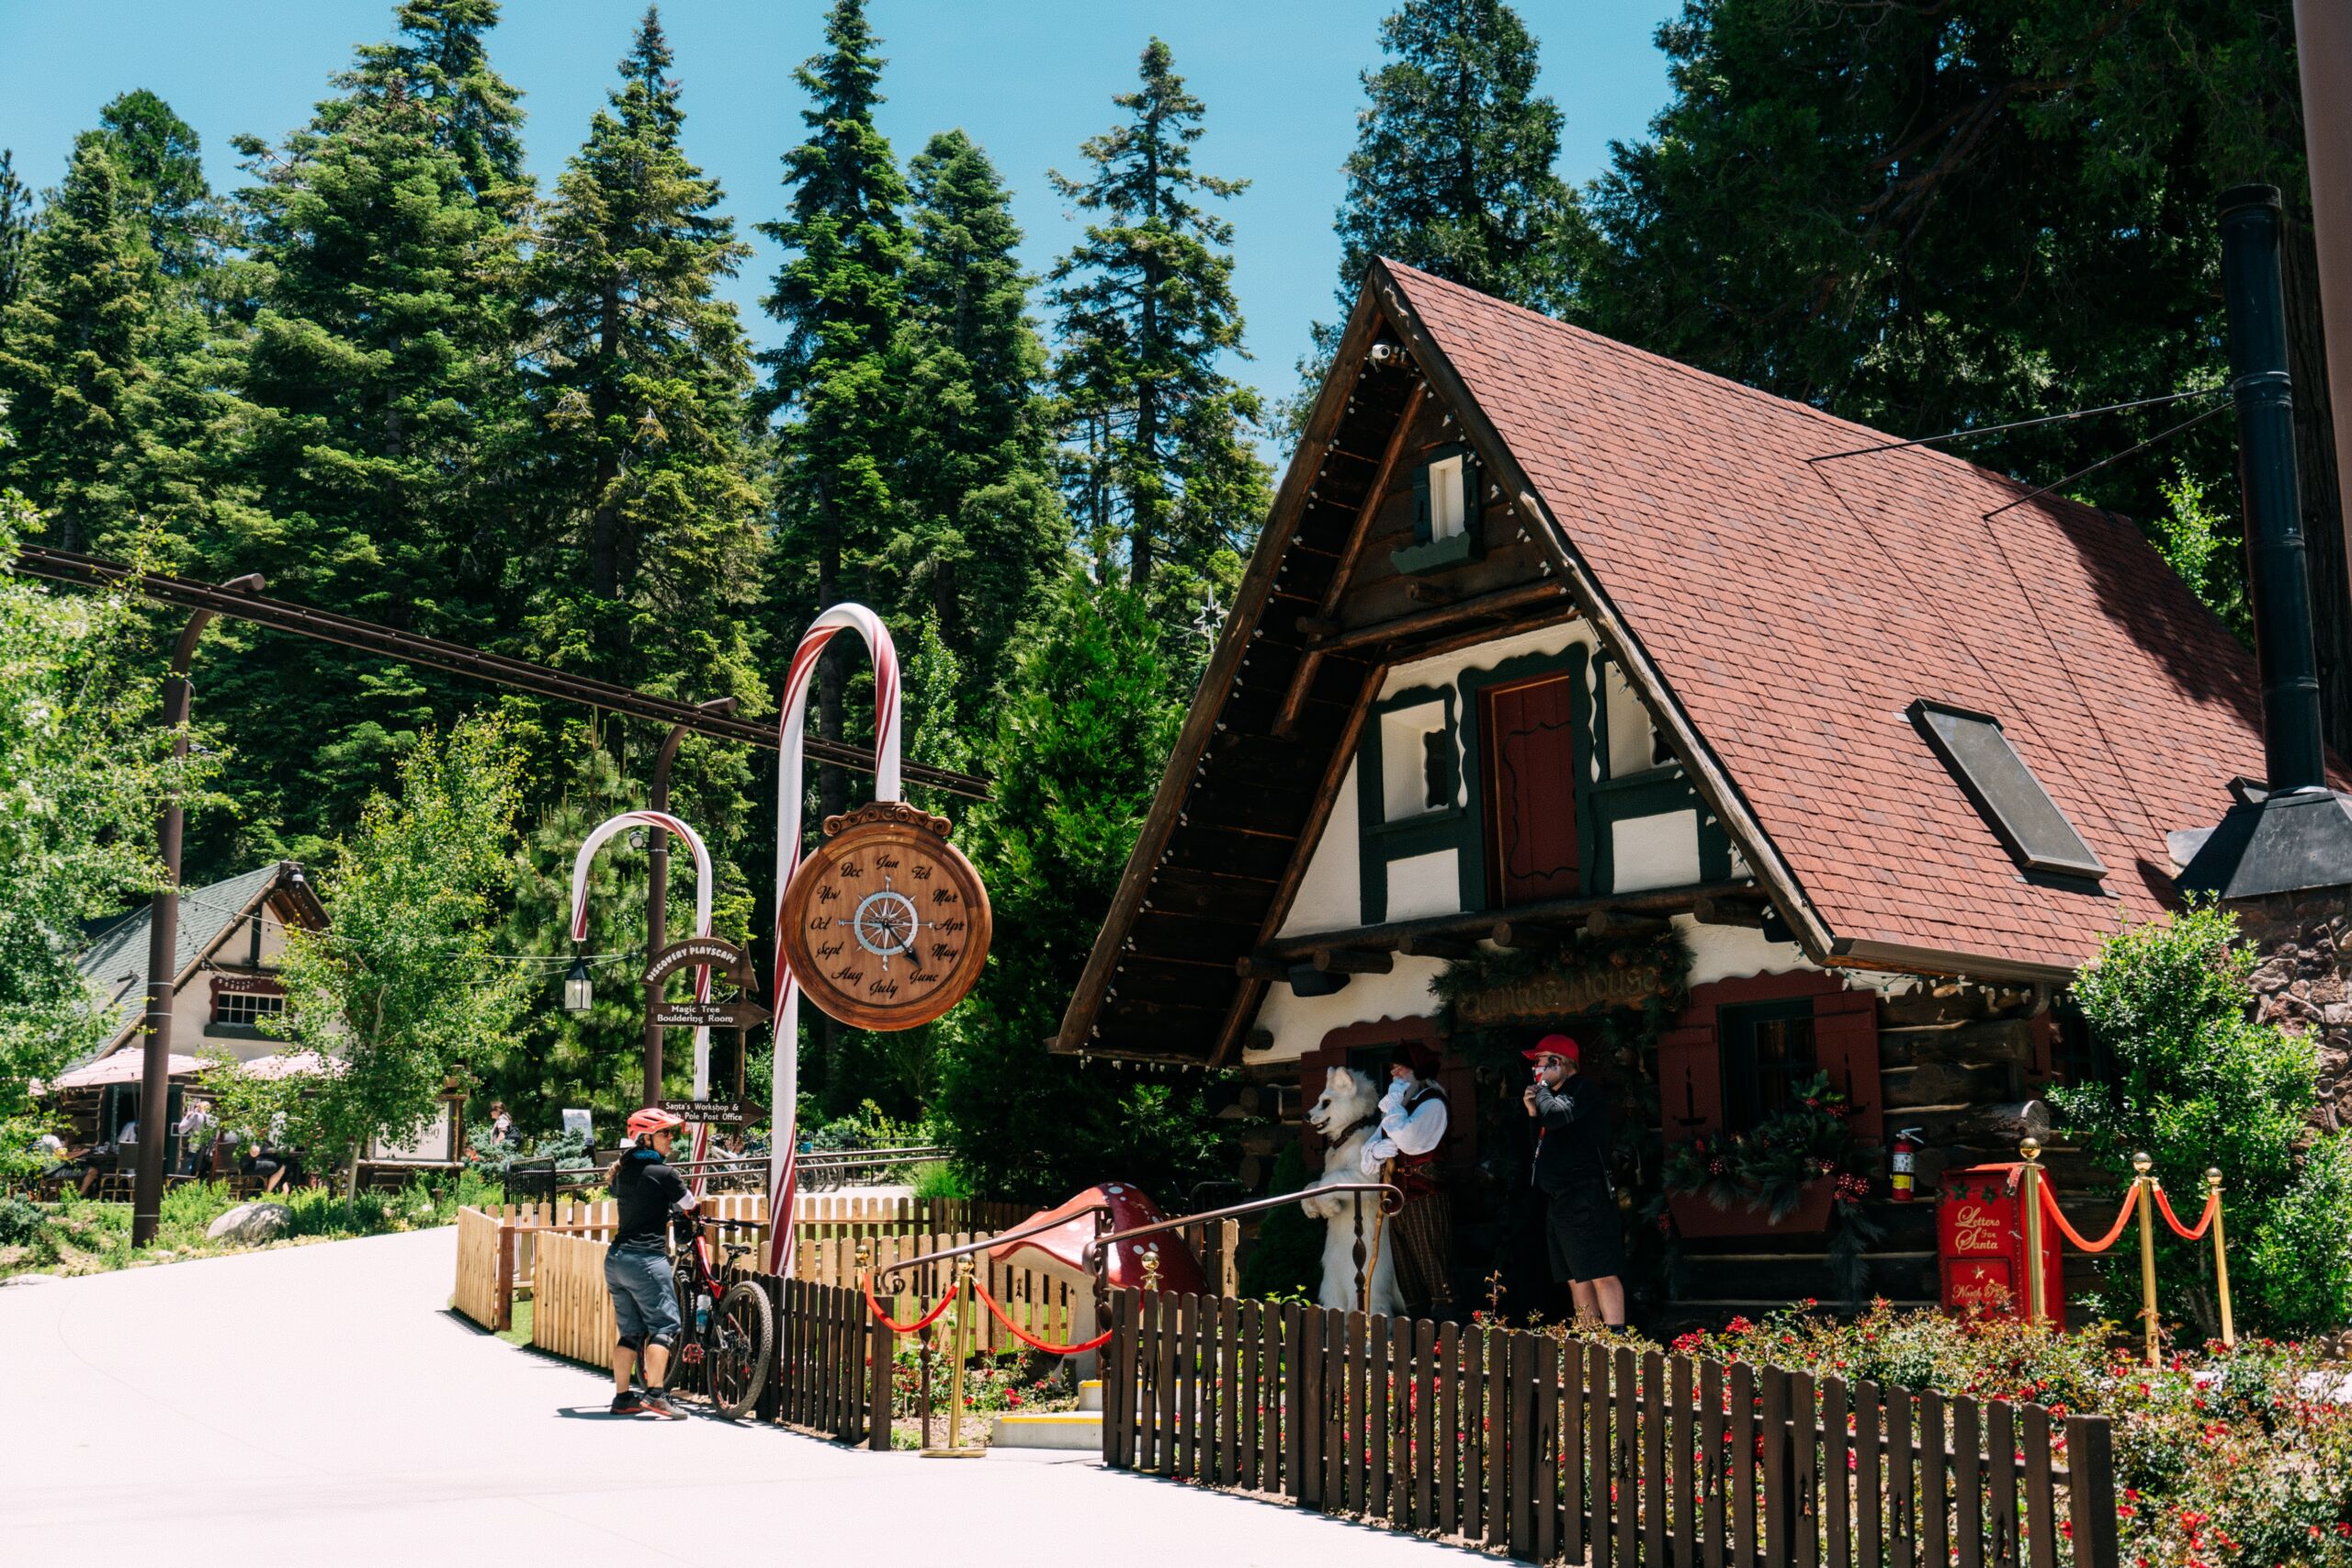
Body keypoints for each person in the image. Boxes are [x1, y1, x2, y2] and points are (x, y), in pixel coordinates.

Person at [1525, 1033, 1626, 1330]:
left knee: (1601, 1272)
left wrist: (1542, 1089)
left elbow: (1557, 1116)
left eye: (1541, 1061)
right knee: (1575, 1277)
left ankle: (1617, 1340)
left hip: (1586, 1198)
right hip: (1560, 1202)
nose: (1536, 1068)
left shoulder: (1581, 1089)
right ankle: (1592, 1341)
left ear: (1560, 1061)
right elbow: (1538, 1151)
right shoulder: (1548, 1101)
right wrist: (1533, 1114)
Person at [606, 1107, 695, 1419]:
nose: (672, 1139)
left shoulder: (622, 1171)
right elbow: (689, 1203)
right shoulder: (665, 1174)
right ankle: (656, 1395)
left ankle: (622, 1398)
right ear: (646, 1138)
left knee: (630, 1332)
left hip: (617, 1260)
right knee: (665, 1326)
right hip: (646, 1259)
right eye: (665, 1133)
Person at [1359, 1040, 1453, 1316]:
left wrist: (1393, 1110)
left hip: (1426, 1198)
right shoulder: (1397, 1108)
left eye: (1400, 1069)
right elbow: (1367, 1157)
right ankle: (1418, 1337)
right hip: (1396, 1201)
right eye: (1392, 1070)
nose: (1393, 1075)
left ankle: (1446, 1333)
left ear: (1417, 1072)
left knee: (1433, 1264)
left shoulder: (1432, 1103)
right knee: (1408, 1273)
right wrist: (1377, 1149)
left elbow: (1410, 1141)